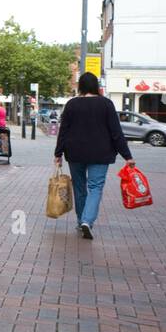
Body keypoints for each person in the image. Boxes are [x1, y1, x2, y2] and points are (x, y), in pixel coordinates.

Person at [54, 72, 135, 240]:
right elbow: (116, 132)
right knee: (95, 187)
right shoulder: (106, 104)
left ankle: (80, 220)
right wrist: (127, 156)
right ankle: (87, 221)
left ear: (81, 86)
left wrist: (58, 153)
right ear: (96, 86)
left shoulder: (71, 104)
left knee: (79, 187)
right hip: (100, 153)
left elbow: (63, 131)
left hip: (75, 152)